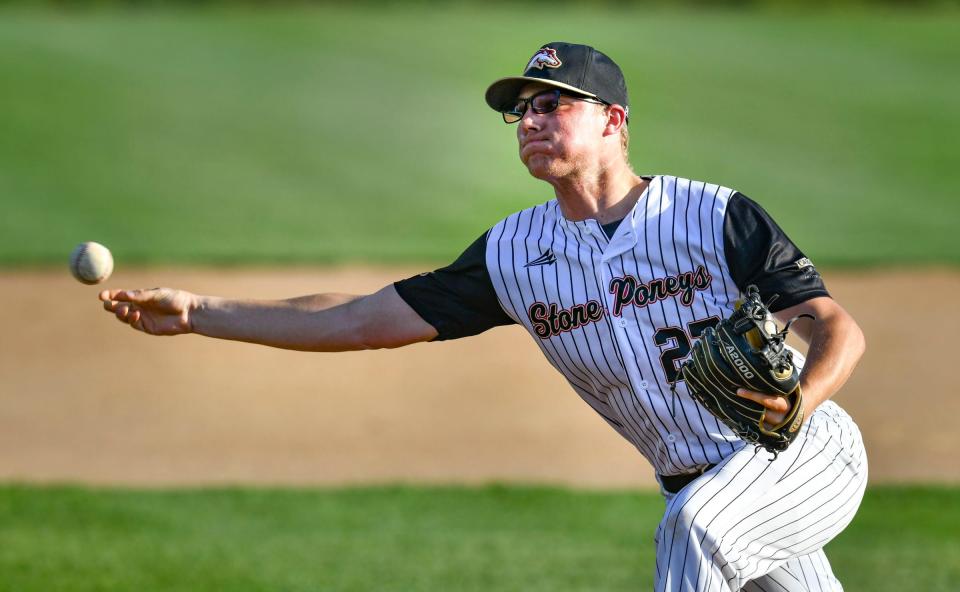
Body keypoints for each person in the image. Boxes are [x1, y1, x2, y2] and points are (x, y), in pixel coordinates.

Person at [100, 42, 867, 591]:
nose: (530, 120)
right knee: (705, 523)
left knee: (696, 531)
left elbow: (836, 328)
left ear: (614, 121)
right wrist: (201, 311)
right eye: (520, 112)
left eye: (552, 104)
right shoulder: (514, 254)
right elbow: (358, 319)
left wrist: (803, 398)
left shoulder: (712, 215)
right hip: (694, 478)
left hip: (798, 453)